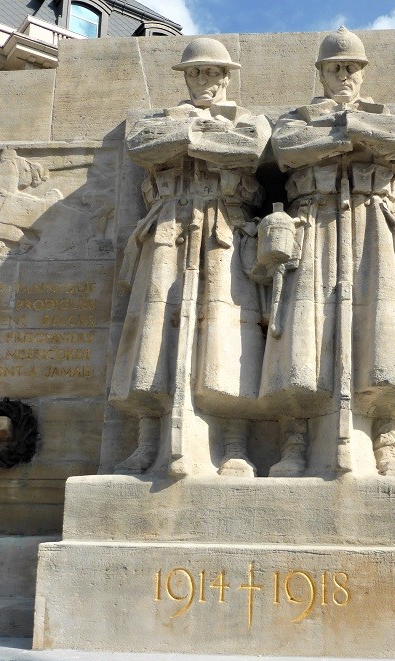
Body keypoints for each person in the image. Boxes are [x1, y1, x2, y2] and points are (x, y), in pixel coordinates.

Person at [263, 27, 395, 477]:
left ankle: (386, 438)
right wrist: (350, 137)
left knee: (383, 335)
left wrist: (349, 127)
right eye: (335, 67)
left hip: (372, 225)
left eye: (352, 68)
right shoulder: (296, 117)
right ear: (321, 73)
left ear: (363, 73)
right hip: (314, 224)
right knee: (301, 338)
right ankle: (295, 438)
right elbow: (288, 148)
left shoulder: (384, 115)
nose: (344, 75)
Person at [109, 38, 271, 477]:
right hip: (167, 232)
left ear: (227, 76)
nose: (205, 80)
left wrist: (187, 140)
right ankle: (147, 443)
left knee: (228, 339)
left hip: (223, 230)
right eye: (196, 72)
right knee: (153, 338)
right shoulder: (161, 119)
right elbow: (143, 147)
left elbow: (249, 150)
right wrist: (197, 134)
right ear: (185, 77)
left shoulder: (249, 120)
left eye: (213, 72)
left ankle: (235, 444)